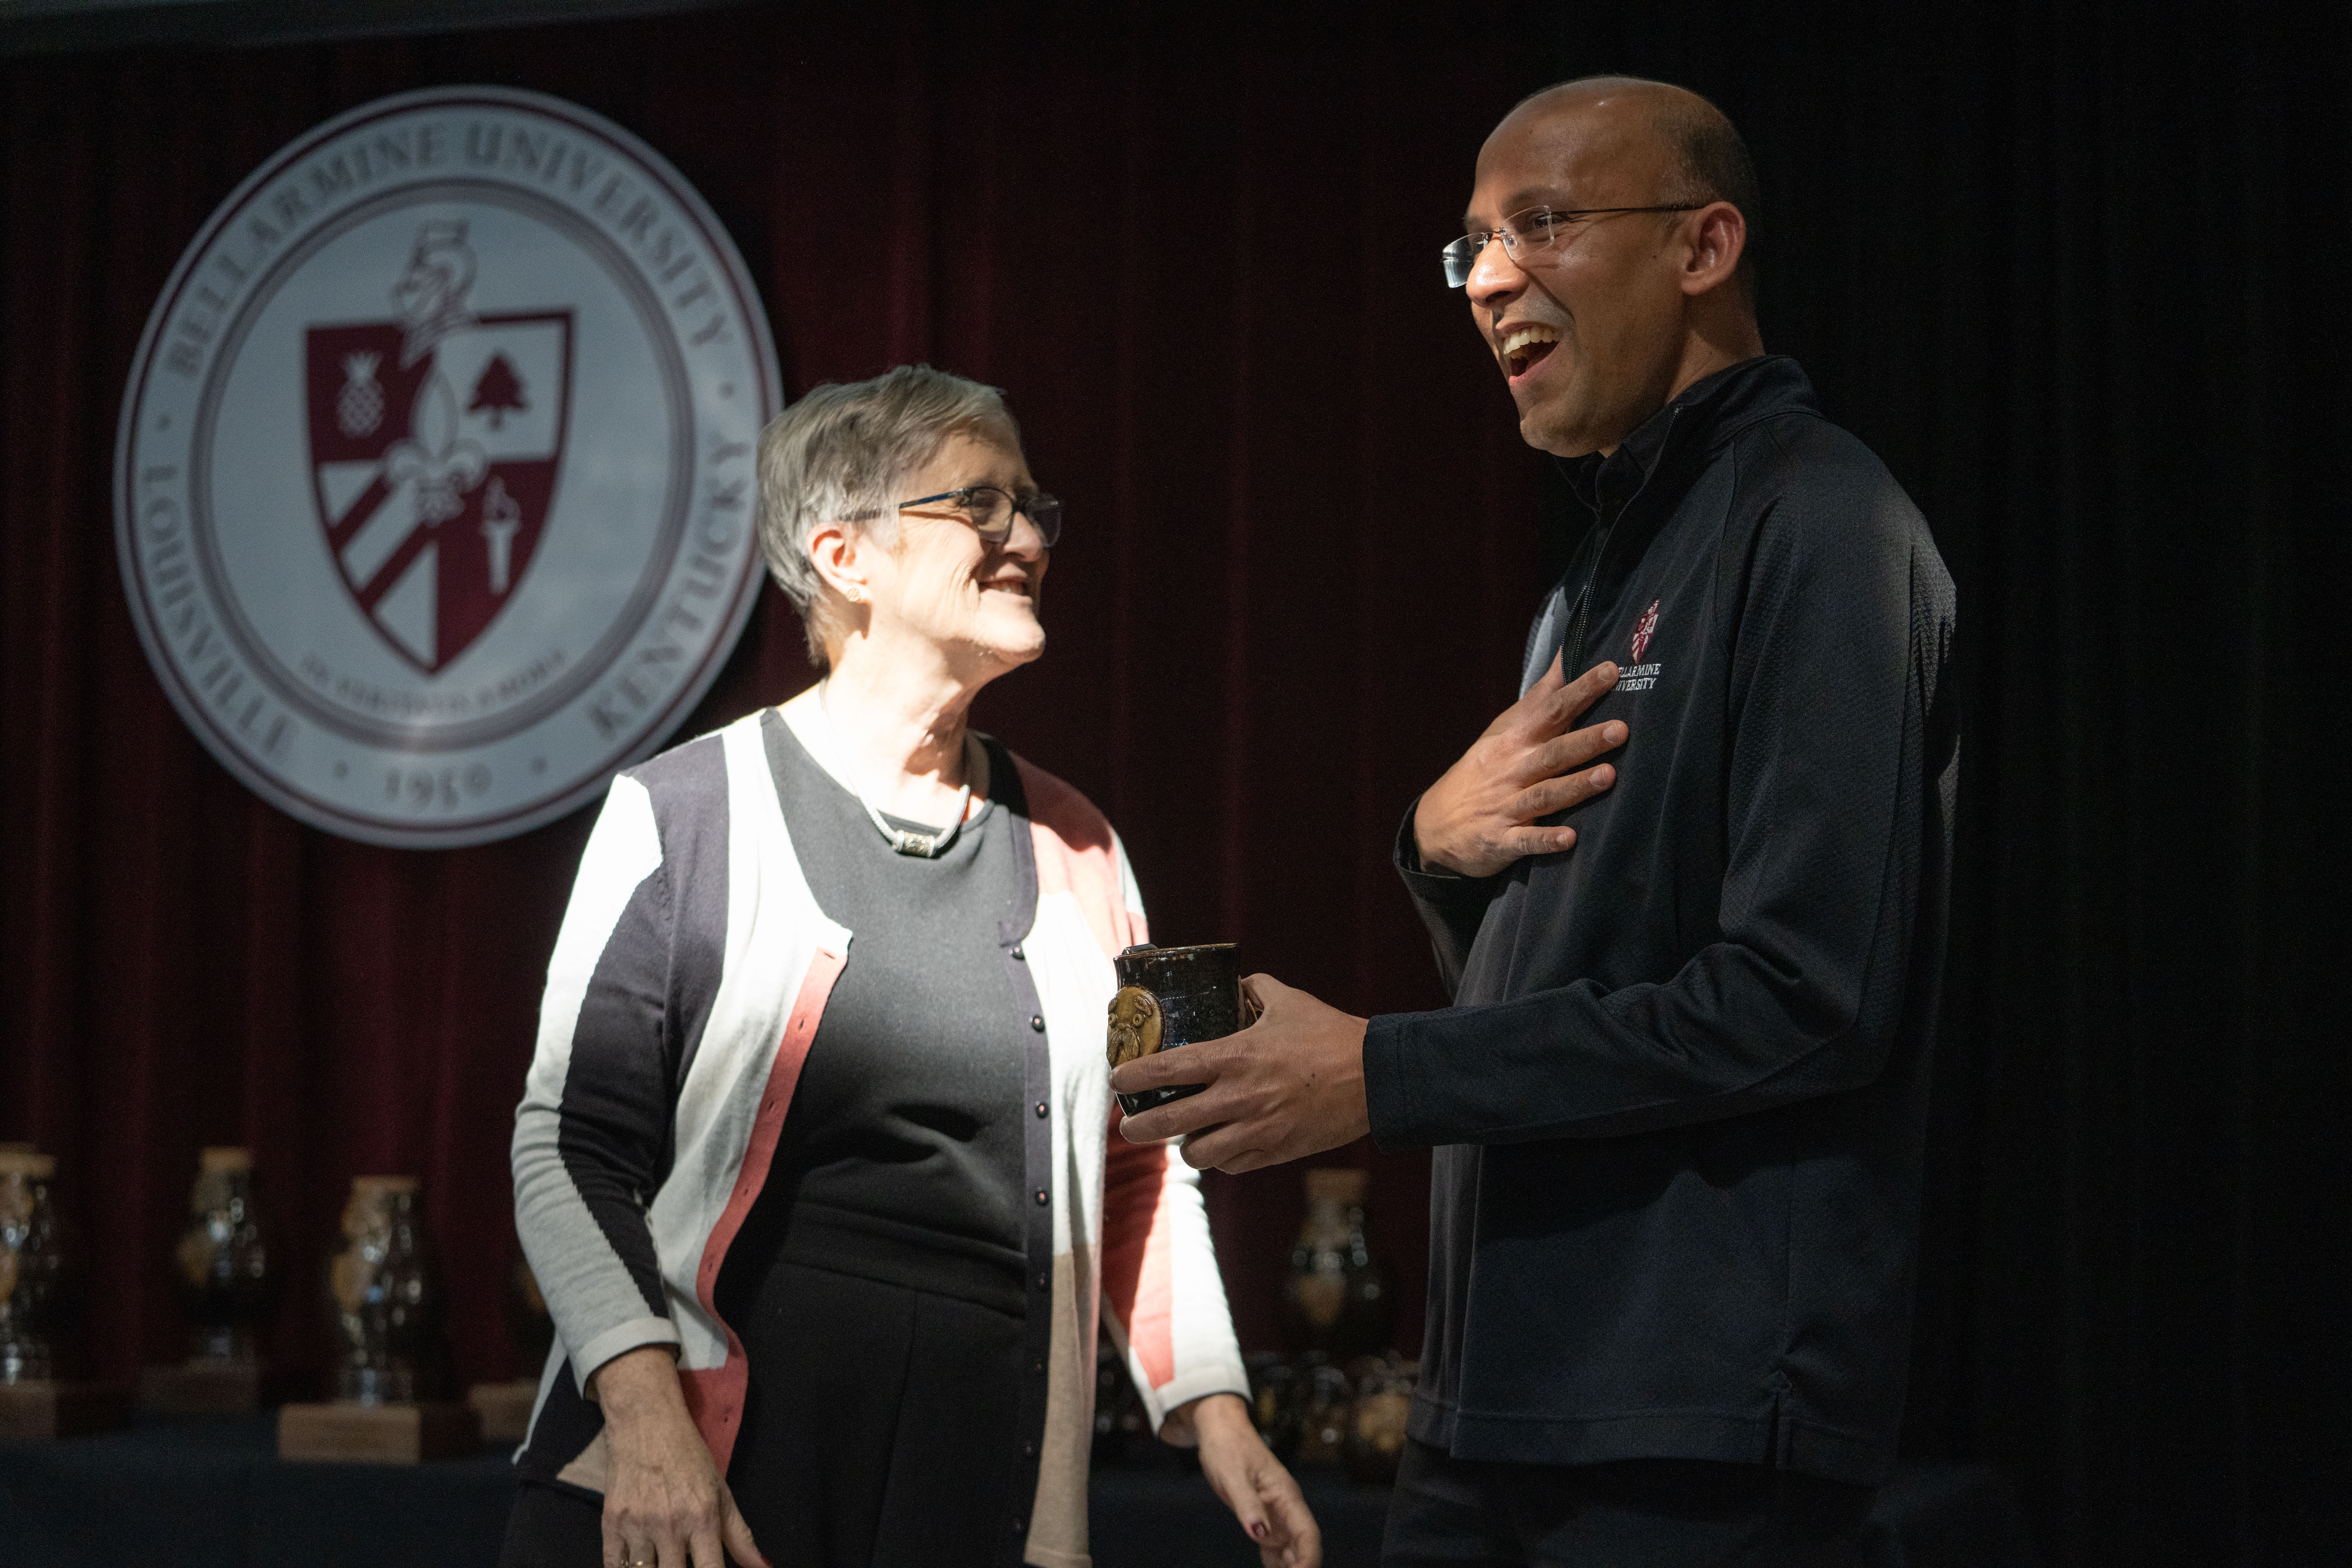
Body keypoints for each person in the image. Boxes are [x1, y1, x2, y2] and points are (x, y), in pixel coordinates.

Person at [1110, 77, 1958, 1565]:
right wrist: (1435, 854)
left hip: (1686, 1430)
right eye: (1472, 248)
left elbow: (1805, 1003)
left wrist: (1380, 1072)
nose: (1491, 278)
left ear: (1703, 249)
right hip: (1498, 1400)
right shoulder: (1597, 579)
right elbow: (1563, 986)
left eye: (1543, 226)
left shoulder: (1820, 521)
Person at [505, 366, 1318, 1568]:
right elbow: (567, 1146)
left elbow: (1142, 1171)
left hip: (971, 1501)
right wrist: (649, 1424)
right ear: (846, 557)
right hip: (693, 1501)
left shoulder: (1083, 845)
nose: (1028, 537)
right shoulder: (681, 814)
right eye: (981, 506)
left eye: (1036, 507)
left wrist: (1214, 1410)